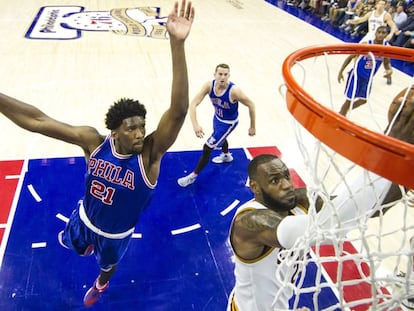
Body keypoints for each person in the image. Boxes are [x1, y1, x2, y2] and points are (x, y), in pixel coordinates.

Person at [0, 0, 194, 307]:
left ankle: (101, 285)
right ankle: (81, 243)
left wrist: (176, 45)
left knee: (107, 267)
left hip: (117, 235)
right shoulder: (94, 142)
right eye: (131, 128)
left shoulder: (150, 155)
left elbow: (180, 111)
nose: (140, 133)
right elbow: (38, 121)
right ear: (114, 131)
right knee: (74, 242)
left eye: (142, 126)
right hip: (85, 218)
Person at [226, 90, 414, 310]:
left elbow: (366, 208)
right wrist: (388, 150)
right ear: (255, 188)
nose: (286, 184)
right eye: (274, 181)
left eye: (286, 176)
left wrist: (404, 164)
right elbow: (322, 229)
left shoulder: (300, 200)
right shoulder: (250, 223)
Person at [177, 63, 256, 187]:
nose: (222, 77)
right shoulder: (209, 86)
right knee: (220, 138)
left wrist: (252, 126)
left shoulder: (234, 91)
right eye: (220, 74)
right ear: (215, 75)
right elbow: (193, 104)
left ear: (229, 75)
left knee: (207, 148)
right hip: (217, 118)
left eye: (225, 74)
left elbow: (251, 105)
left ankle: (193, 176)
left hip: (228, 123)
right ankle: (226, 156)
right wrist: (195, 125)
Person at [337, 26, 392, 116]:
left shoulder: (387, 48)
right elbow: (351, 57)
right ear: (375, 33)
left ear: (386, 34)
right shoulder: (367, 44)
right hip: (356, 75)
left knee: (363, 100)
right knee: (349, 99)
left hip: (368, 78)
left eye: (383, 33)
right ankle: (342, 113)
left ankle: (344, 111)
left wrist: (389, 71)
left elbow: (387, 64)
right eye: (379, 32)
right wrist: (341, 71)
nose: (381, 35)